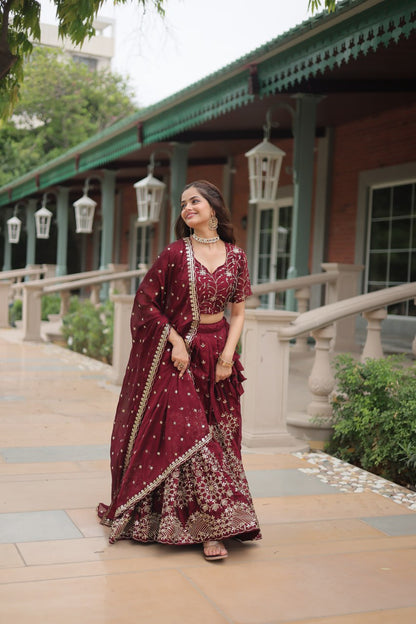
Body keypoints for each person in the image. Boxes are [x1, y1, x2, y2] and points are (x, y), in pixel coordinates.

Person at [98, 180, 261, 561]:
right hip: (180, 356)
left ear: (214, 208)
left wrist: (227, 357)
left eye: (195, 201)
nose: (187, 207)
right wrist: (174, 341)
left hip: (219, 353)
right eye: (183, 203)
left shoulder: (236, 256)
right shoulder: (174, 253)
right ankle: (210, 530)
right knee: (191, 438)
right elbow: (145, 303)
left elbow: (238, 313)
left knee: (219, 437)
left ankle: (207, 519)